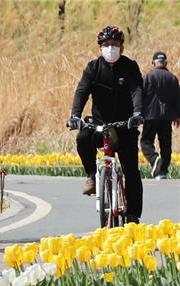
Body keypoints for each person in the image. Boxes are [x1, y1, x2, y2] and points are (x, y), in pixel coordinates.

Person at [68, 25, 144, 224]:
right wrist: (75, 115)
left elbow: (137, 90)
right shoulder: (93, 68)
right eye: (107, 44)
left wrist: (137, 113)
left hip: (125, 125)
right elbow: (82, 91)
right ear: (100, 47)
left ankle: (133, 214)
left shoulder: (130, 66)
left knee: (131, 171)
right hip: (99, 124)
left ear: (122, 47)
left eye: (115, 44)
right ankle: (92, 176)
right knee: (83, 137)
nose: (111, 48)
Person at [141, 52, 180, 180]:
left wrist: (139, 113)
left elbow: (141, 97)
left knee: (146, 142)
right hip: (166, 117)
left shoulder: (147, 77)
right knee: (165, 144)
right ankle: (163, 171)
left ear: (153, 62)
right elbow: (177, 99)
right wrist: (178, 115)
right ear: (166, 63)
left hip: (150, 116)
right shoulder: (172, 78)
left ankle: (154, 159)